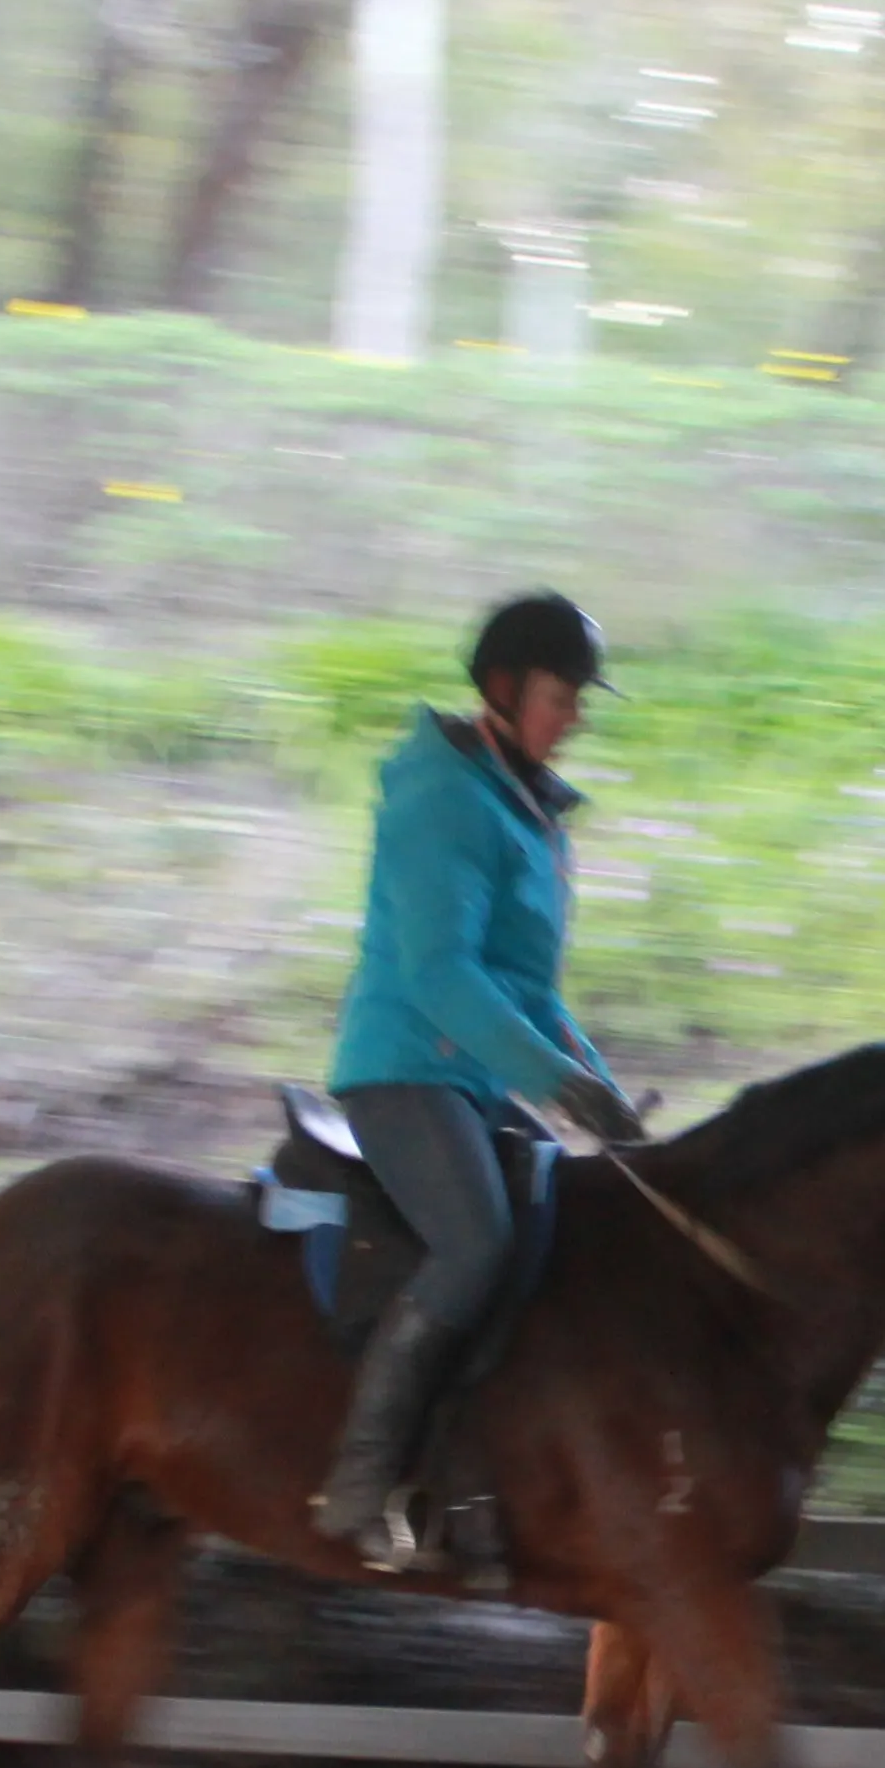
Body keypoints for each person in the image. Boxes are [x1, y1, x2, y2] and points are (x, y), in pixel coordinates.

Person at [309, 591, 648, 1562]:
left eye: (580, 697)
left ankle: (489, 1467)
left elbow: (530, 990)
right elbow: (441, 974)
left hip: (478, 1076)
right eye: (562, 694)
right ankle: (361, 1481)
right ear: (503, 690)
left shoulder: (526, 808)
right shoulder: (444, 798)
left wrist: (597, 1089)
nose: (576, 715)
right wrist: (554, 1080)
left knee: (575, 1226)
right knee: (474, 1242)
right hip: (406, 1068)